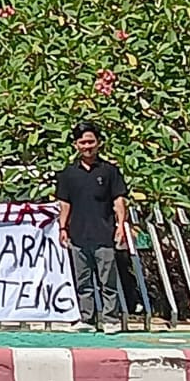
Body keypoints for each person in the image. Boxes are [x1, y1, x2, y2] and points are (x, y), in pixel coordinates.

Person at [56, 121, 129, 334]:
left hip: (104, 234)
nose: (87, 146)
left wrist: (121, 225)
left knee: (108, 281)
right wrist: (62, 228)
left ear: (99, 143)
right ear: (75, 145)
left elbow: (119, 200)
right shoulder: (68, 174)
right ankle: (86, 319)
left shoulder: (110, 171)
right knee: (83, 281)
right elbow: (64, 203)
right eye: (82, 142)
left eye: (91, 141)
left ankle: (110, 319)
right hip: (78, 235)